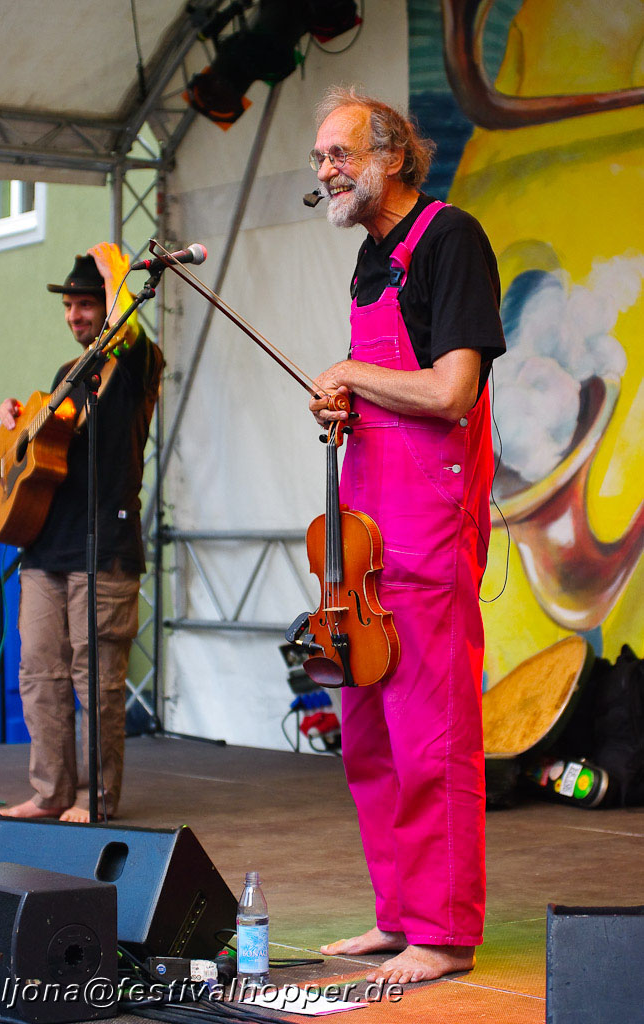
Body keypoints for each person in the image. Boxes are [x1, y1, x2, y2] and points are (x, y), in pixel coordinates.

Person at [307, 87, 506, 984]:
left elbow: (451, 392)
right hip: (364, 540)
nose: (325, 172)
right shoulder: (367, 260)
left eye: (338, 153)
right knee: (368, 738)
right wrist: (342, 402)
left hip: (426, 529)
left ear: (389, 154)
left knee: (430, 739)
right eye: (320, 159)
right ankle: (398, 917)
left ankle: (444, 932)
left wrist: (354, 370)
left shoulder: (450, 238)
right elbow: (391, 387)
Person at [0, 242, 164, 823]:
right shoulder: (68, 375)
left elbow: (131, 330)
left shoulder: (138, 362)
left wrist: (120, 275)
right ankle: (50, 793)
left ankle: (98, 797)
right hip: (45, 546)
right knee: (39, 674)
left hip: (105, 548)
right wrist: (16, 427)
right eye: (69, 306)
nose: (75, 315)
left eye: (87, 304)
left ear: (108, 307)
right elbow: (44, 451)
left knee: (98, 682)